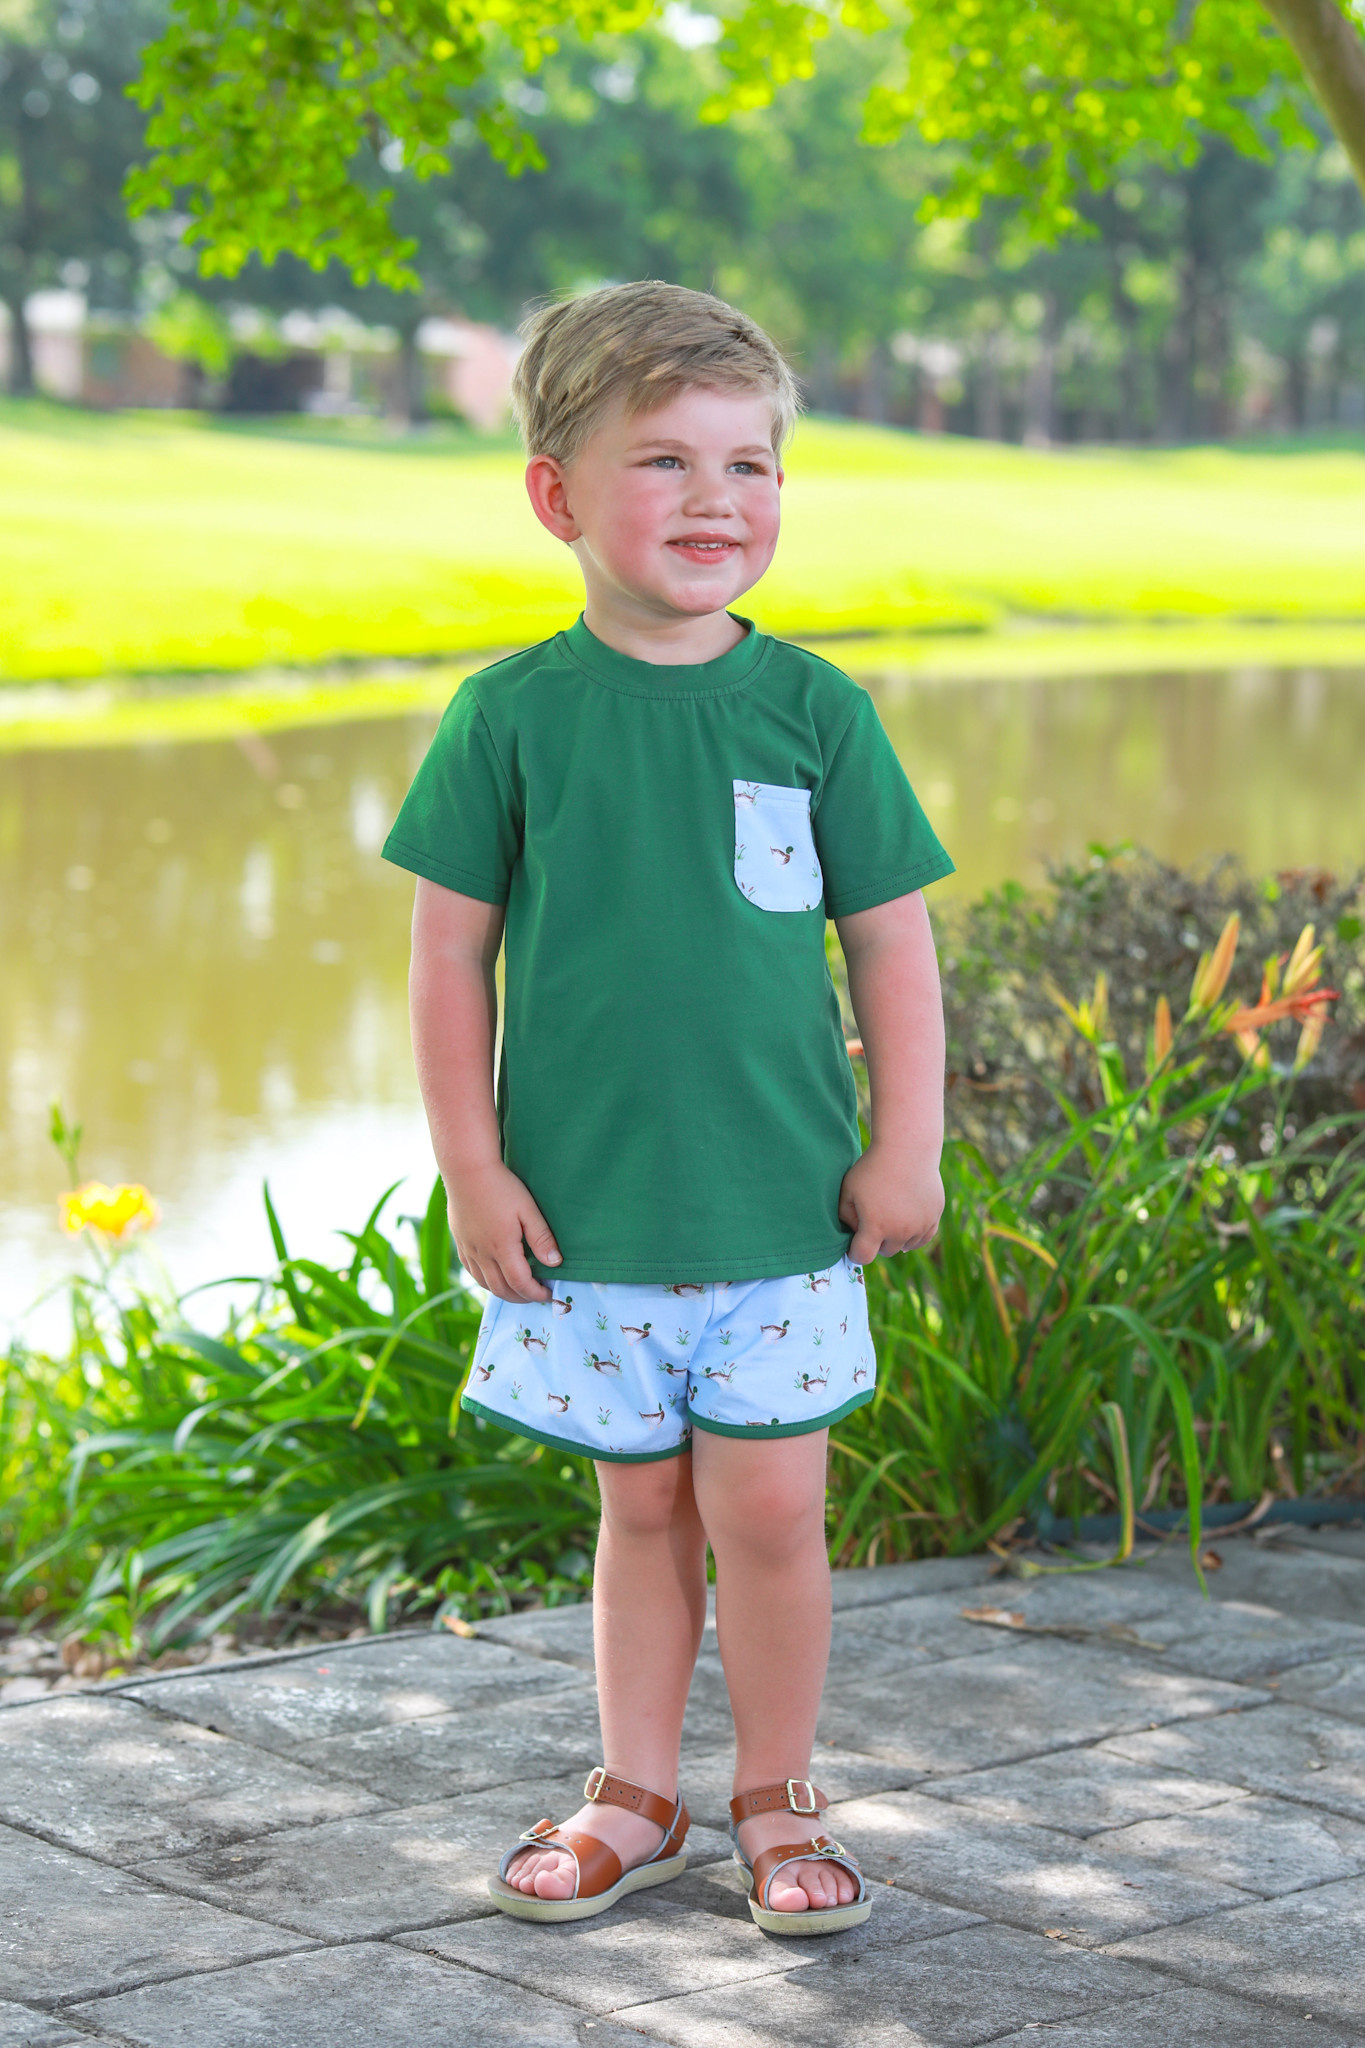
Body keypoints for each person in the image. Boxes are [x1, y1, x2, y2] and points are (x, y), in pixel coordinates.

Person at [383, 280, 952, 1935]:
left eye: (748, 464)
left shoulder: (816, 713)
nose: (717, 499)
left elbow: (892, 947)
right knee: (638, 1504)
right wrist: (471, 1166)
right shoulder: (509, 715)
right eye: (665, 461)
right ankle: (636, 1792)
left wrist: (905, 1142)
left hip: (780, 1206)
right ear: (555, 493)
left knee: (769, 1510)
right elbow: (446, 959)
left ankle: (775, 1791)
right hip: (588, 1212)